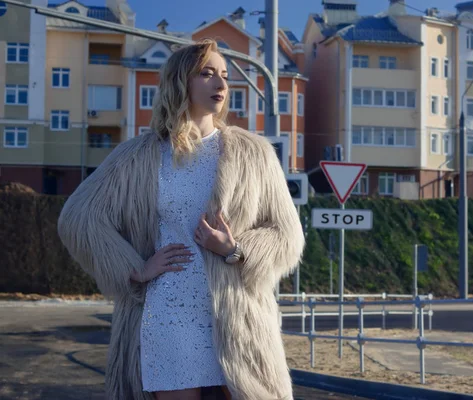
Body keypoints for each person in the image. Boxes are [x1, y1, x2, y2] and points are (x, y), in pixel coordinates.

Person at [57, 39, 305, 400]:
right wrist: (136, 268)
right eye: (207, 74)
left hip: (236, 314)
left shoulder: (255, 155)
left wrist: (236, 249)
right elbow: (79, 217)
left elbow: (287, 235)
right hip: (168, 312)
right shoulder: (137, 156)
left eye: (224, 75)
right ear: (180, 82)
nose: (221, 84)